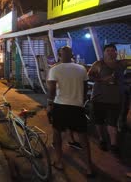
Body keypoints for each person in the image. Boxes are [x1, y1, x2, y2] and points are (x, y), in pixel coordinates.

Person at [47, 46, 94, 176]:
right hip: (77, 107)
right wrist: (81, 101)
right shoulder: (81, 69)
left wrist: (49, 104)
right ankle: (89, 168)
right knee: (83, 138)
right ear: (72, 54)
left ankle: (59, 162)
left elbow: (51, 90)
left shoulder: (54, 69)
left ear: (59, 55)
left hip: (60, 106)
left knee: (57, 135)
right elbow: (85, 89)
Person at [88, 44, 131, 156]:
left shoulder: (121, 63)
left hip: (115, 99)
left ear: (116, 53)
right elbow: (90, 76)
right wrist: (102, 79)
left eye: (113, 50)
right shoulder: (98, 64)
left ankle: (113, 145)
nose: (111, 52)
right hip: (99, 98)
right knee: (99, 121)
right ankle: (102, 139)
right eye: (108, 50)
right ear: (104, 52)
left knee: (112, 123)